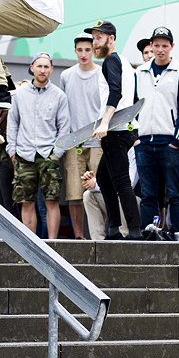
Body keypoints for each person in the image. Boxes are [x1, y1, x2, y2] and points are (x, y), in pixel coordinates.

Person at [132, 26, 179, 237]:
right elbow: (132, 106)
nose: (160, 49)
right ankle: (148, 232)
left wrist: (177, 141)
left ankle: (178, 233)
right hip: (144, 142)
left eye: (164, 45)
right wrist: (135, 137)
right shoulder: (140, 72)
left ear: (171, 47)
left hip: (169, 142)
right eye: (156, 45)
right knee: (148, 194)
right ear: (151, 46)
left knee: (176, 193)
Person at [8, 52, 70, 240]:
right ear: (32, 68)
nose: (42, 70)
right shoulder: (19, 95)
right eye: (39, 66)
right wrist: (12, 151)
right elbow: (13, 124)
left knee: (51, 201)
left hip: (48, 155)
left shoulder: (59, 95)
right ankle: (31, 245)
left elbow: (64, 126)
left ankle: (52, 244)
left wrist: (56, 153)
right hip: (24, 156)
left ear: (51, 69)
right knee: (26, 202)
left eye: (46, 67)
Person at [91, 20, 141, 240]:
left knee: (120, 181)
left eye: (99, 38)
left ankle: (134, 232)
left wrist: (104, 123)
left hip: (115, 129)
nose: (95, 43)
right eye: (94, 38)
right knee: (103, 177)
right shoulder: (126, 63)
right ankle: (113, 228)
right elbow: (136, 98)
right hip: (125, 128)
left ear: (111, 39)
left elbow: (116, 92)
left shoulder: (111, 60)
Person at [61, 33, 105, 239]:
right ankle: (79, 236)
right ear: (75, 51)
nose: (84, 54)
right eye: (80, 50)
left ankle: (102, 235)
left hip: (97, 141)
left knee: (100, 190)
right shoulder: (66, 75)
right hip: (74, 141)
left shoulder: (102, 73)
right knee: (74, 194)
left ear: (94, 50)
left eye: (88, 49)